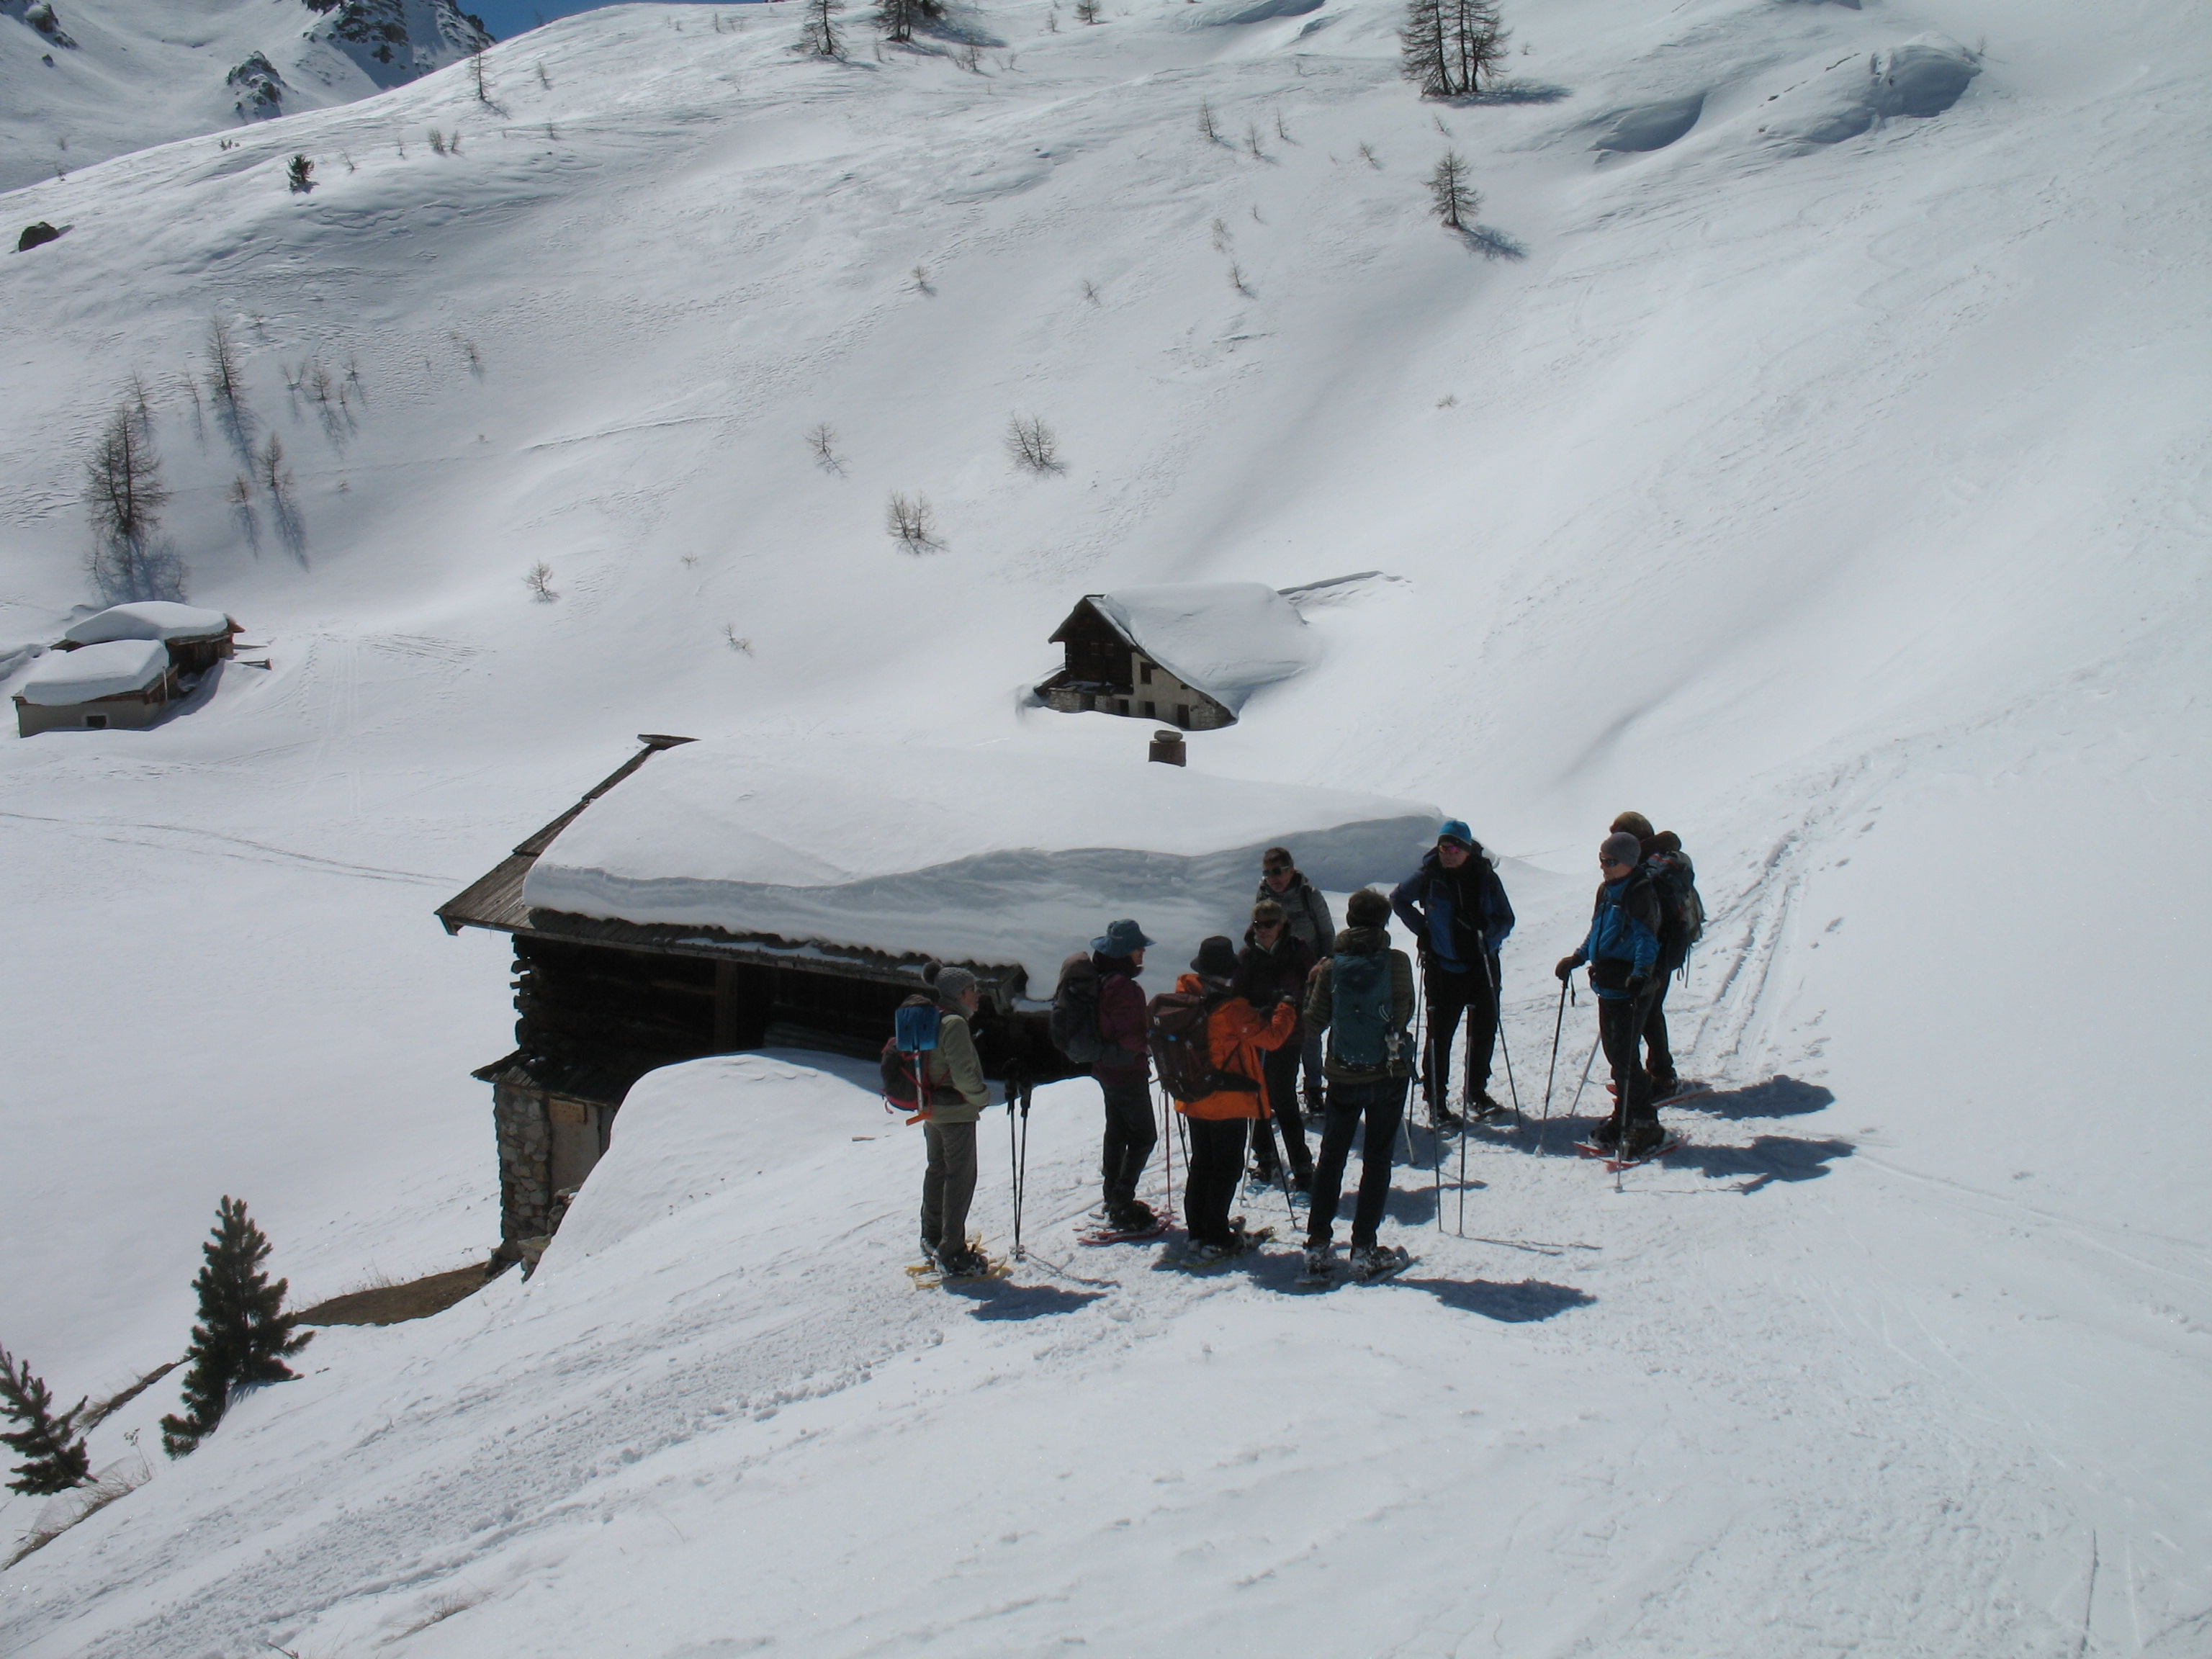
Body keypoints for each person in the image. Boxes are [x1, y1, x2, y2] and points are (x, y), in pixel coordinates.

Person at [1302, 889, 1416, 1279]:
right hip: (1388, 1072)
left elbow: (1314, 1022)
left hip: (1343, 1074)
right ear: (1385, 922)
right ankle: (1364, 1248)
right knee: (1377, 1159)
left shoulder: (1332, 967)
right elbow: (1403, 1014)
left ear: (1349, 921)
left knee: (1332, 1157)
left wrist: (1311, 984)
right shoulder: (1397, 962)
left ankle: (1317, 1246)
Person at [1172, 935, 1298, 1263]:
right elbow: (1272, 1038)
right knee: (1227, 1168)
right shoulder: (1232, 1009)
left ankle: (1198, 1233)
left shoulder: (1185, 997)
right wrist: (1286, 1007)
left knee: (1202, 1164)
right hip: (1227, 1100)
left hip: (1194, 1095)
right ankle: (1217, 1238)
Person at [1389, 819, 1515, 1131]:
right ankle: (1436, 1100)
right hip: (1443, 967)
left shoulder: (1485, 877)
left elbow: (1506, 918)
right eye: (1443, 847)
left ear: (1467, 850)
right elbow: (1398, 899)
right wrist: (1424, 930)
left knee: (1483, 1030)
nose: (1447, 853)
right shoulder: (1429, 875)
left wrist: (1490, 936)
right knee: (1440, 1035)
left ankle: (1476, 1092)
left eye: (1454, 848)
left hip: (1482, 964)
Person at [1555, 832, 1665, 1159]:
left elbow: (1647, 938)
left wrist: (1641, 973)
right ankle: (1626, 1115)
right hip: (1608, 983)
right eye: (1602, 859)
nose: (1603, 866)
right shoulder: (1607, 890)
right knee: (1617, 1055)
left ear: (1628, 862)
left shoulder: (1640, 892)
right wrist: (1578, 957)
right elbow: (1598, 930)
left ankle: (1645, 1122)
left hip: (1630, 985)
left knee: (1625, 1057)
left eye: (1610, 861)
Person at [913, 968, 995, 1276]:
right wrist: (981, 1097)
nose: (978, 994)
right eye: (973, 989)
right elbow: (963, 1075)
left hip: (931, 1109)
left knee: (937, 1171)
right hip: (955, 1113)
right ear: (959, 994)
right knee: (959, 1178)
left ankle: (932, 1238)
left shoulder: (932, 1017)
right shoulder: (955, 1023)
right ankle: (953, 1254)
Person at [1233, 898, 1318, 1192]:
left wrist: (1292, 1005)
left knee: (1282, 1098)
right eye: (1259, 924)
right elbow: (1238, 994)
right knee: (1256, 1096)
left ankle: (1301, 1165)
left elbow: (1313, 985)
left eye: (1270, 924)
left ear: (1282, 924)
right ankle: (1265, 1157)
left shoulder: (1298, 950)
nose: (1263, 930)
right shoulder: (1248, 955)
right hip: (1257, 1034)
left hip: (1289, 1034)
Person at [1256, 847, 1336, 1128]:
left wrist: (1325, 967)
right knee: (1278, 1033)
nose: (1273, 878)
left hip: (1310, 974)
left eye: (1278, 871)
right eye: (1268, 873)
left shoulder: (1309, 895)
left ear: (1291, 870)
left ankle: (1313, 1088)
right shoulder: (1263, 896)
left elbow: (1327, 933)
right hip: (1276, 975)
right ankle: (1281, 1092)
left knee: (1308, 1033)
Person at [1089, 918, 1159, 1233]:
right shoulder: (1122, 986)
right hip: (1126, 1071)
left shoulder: (1101, 977)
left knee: (1117, 1132)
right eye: (1137, 947)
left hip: (1106, 1069)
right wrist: (1151, 1042)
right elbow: (1129, 1034)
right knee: (1144, 1136)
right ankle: (1121, 1201)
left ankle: (1112, 1197)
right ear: (1124, 952)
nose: (1142, 951)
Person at [1608, 811, 1683, 1100]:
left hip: (1651, 952)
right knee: (1651, 1012)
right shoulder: (1664, 859)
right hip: (1666, 948)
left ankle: (1658, 1077)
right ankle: (1659, 1074)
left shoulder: (1645, 869)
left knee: (1645, 1015)